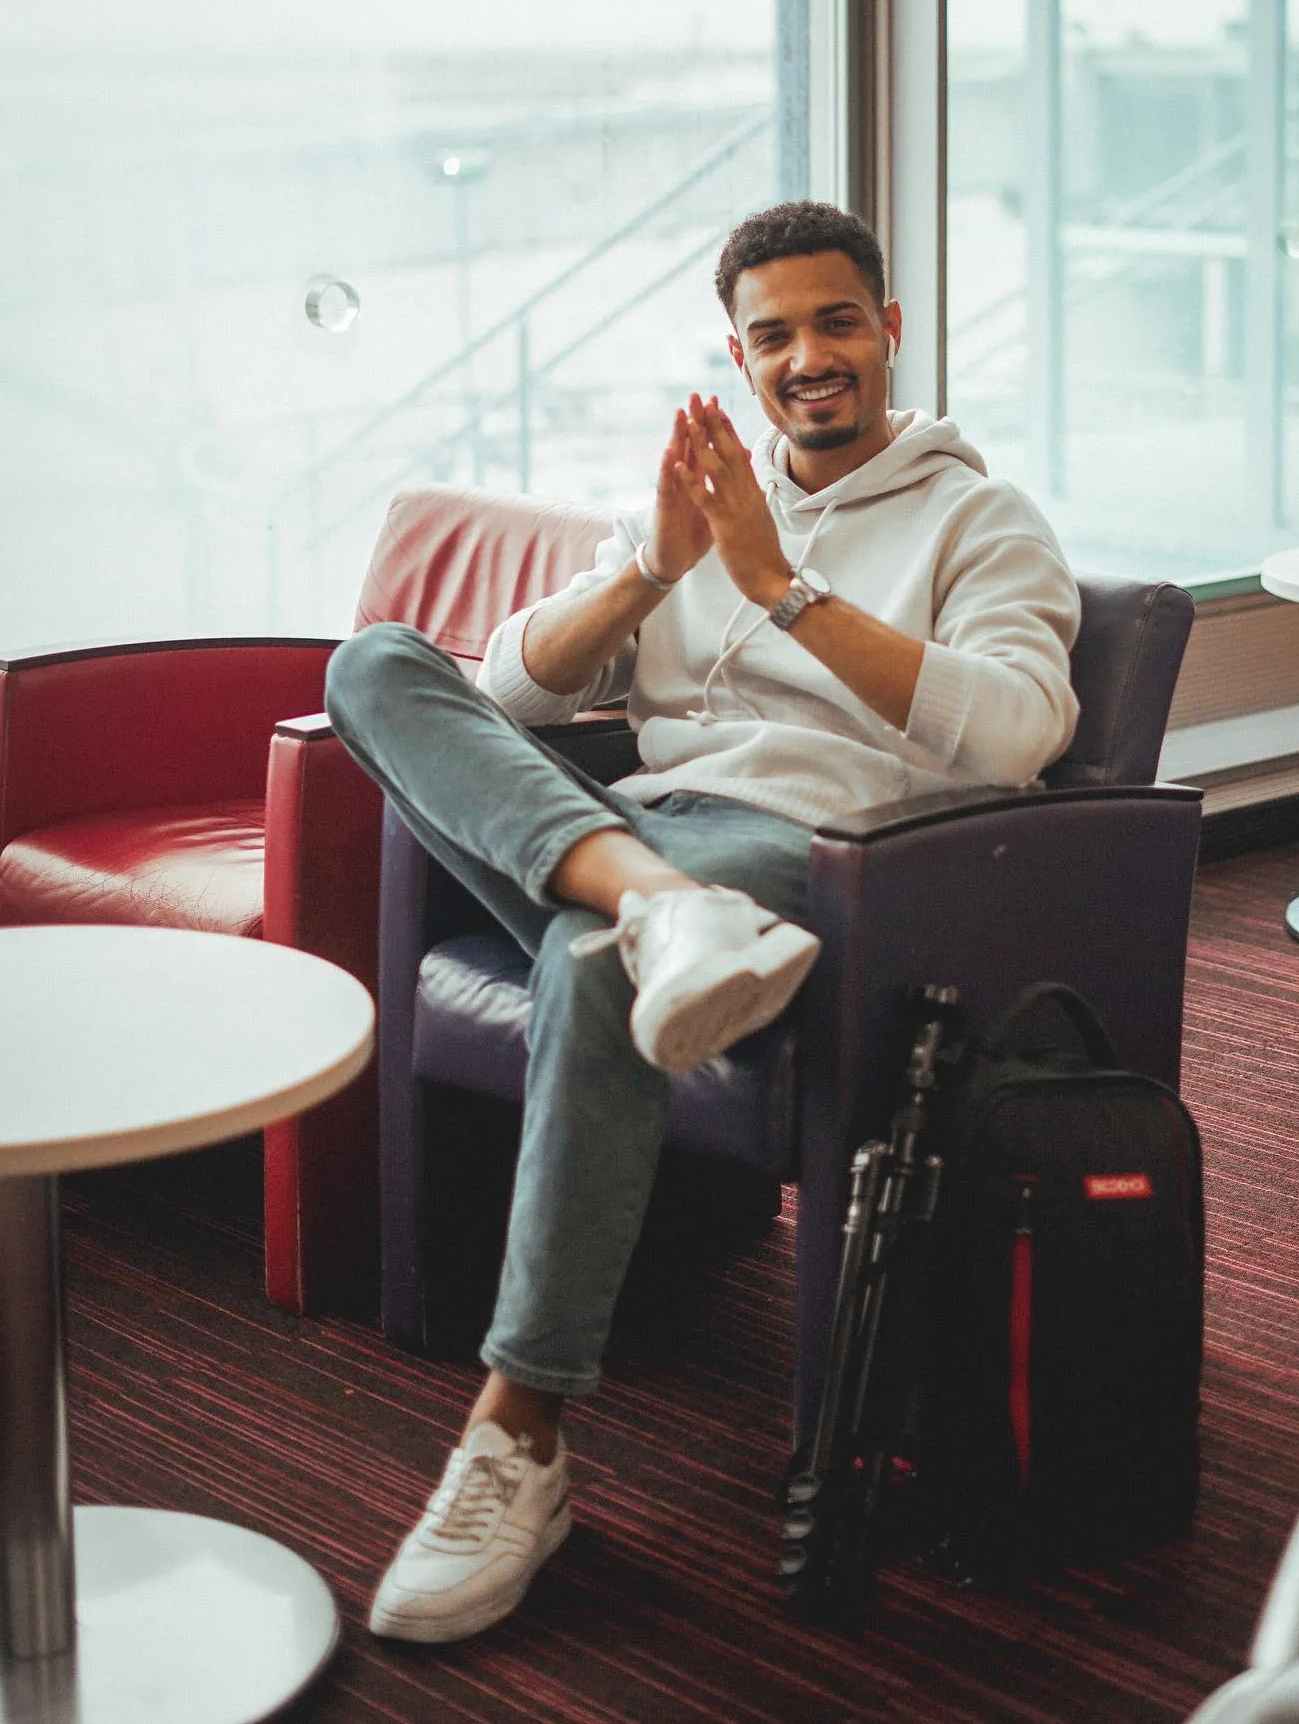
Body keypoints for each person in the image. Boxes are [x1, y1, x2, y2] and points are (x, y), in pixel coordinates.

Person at [324, 199, 1082, 1644]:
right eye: (774, 334)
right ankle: (660, 911)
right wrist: (654, 567)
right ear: (740, 354)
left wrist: (781, 594)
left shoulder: (982, 519)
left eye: (836, 322)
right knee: (377, 668)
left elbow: (1017, 736)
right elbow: (500, 703)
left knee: (591, 957)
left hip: (814, 857)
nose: (809, 357)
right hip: (643, 842)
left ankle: (520, 1436)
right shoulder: (702, 499)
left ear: (891, 329)